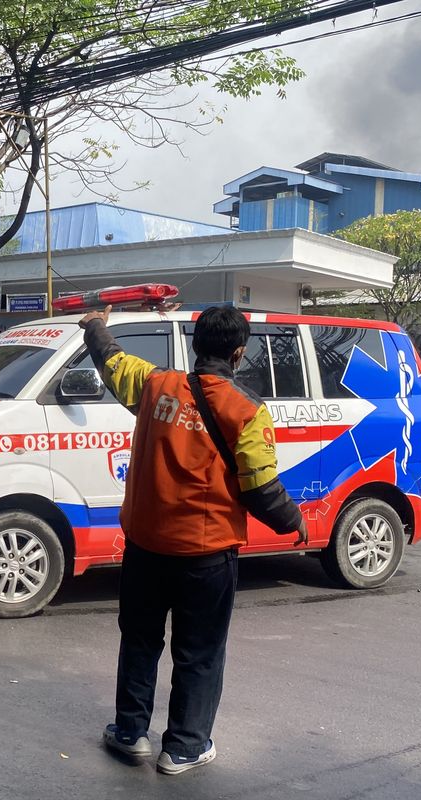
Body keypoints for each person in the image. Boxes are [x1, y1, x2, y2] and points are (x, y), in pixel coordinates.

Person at [79, 304, 306, 776]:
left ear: (195, 344)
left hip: (144, 546)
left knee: (140, 641)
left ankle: (129, 732)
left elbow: (111, 359)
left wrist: (96, 323)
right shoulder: (247, 410)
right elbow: (261, 488)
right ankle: (183, 746)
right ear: (239, 353)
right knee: (199, 652)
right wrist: (294, 522)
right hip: (206, 555)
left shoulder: (155, 385)